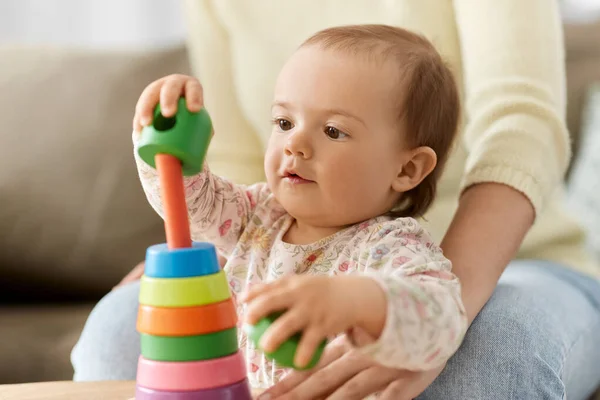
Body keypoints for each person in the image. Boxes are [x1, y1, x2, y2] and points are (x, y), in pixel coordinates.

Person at [71, 1, 600, 399]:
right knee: (122, 322)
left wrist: (362, 304)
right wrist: (163, 143)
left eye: (333, 131)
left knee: (491, 349)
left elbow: (439, 314)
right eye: (284, 122)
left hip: (515, 260)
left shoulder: (393, 246)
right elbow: (192, 203)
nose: (295, 143)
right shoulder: (258, 216)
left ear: (408, 169)